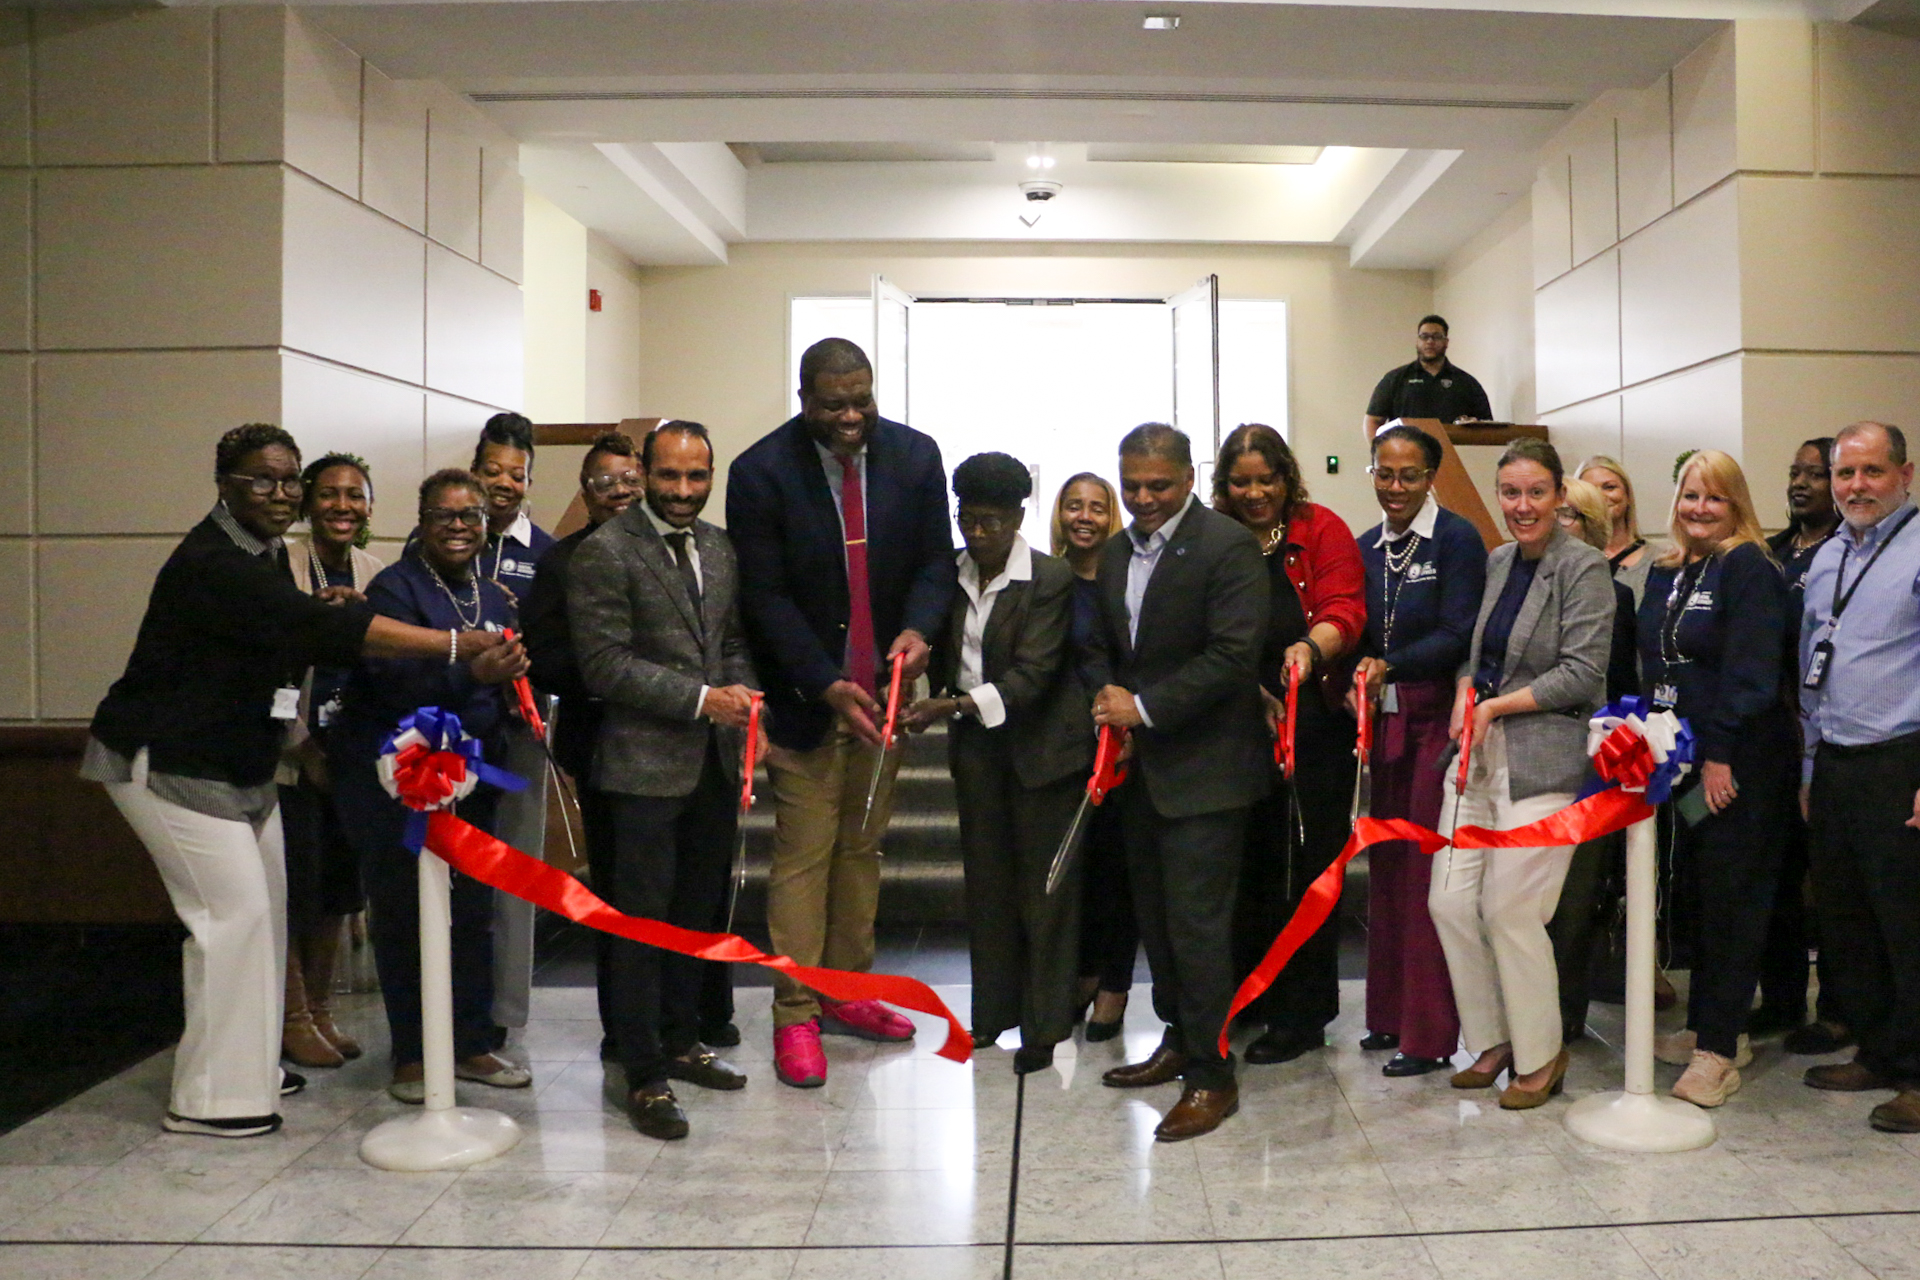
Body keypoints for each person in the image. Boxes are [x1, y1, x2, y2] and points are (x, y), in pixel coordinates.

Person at [81, 425, 505, 1138]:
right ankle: (210, 1099)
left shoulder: (271, 552)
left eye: (287, 481)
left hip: (243, 763)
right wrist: (459, 643)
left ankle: (248, 1066)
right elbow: (328, 632)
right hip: (168, 761)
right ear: (224, 484)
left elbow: (299, 633)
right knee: (231, 921)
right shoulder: (214, 561)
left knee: (267, 920)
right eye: (260, 481)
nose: (279, 495)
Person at [726, 338, 957, 1088]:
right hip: (809, 699)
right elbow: (764, 596)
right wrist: (824, 682)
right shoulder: (759, 472)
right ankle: (795, 1013)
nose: (853, 415)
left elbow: (932, 564)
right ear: (804, 399)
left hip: (887, 697)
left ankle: (846, 994)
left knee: (862, 849)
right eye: (835, 404)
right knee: (803, 856)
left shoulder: (917, 457)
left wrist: (920, 629)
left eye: (863, 398)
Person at [569, 420, 760, 1140]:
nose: (684, 492)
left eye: (697, 477)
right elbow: (605, 664)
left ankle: (683, 1041)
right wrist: (701, 700)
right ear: (645, 473)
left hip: (711, 763)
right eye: (671, 476)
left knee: (694, 916)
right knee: (639, 925)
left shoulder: (718, 546)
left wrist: (742, 695)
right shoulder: (606, 551)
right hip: (640, 770)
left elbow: (731, 640)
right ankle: (641, 1072)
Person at [1087, 423, 1269, 1142]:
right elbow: (1108, 645)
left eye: (1157, 486)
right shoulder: (1113, 553)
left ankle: (1213, 1076)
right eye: (1131, 486)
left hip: (1209, 776)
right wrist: (1106, 694)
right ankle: (1179, 1041)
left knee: (1197, 931)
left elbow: (1232, 656)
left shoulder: (1226, 546)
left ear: (1189, 477)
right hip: (1143, 776)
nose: (1142, 499)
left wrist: (1145, 709)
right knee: (1159, 927)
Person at [330, 469, 535, 1105]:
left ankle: (471, 1044)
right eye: (444, 515)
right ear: (421, 520)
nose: (458, 525)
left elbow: (496, 681)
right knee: (405, 914)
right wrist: (473, 673)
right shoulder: (393, 589)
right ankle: (413, 1056)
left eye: (471, 515)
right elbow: (395, 686)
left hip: (473, 777)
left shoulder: (495, 596)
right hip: (400, 784)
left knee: (473, 913)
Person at [1431, 438, 1612, 1110]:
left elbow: (1583, 673)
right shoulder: (1500, 560)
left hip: (1546, 757)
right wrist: (1463, 692)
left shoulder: (1584, 567)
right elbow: (1479, 656)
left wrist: (1498, 705)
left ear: (1560, 494)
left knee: (1510, 909)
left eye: (1537, 492)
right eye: (1511, 493)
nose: (1523, 505)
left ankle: (1542, 1054)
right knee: (1448, 900)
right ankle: (1493, 1039)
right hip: (1479, 756)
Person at [905, 454, 1092, 1073]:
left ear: (1018, 517)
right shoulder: (946, 575)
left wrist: (948, 705)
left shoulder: (1049, 578)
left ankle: (1046, 1024)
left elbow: (1034, 675)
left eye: (991, 521)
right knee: (986, 887)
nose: (977, 532)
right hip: (977, 751)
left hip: (1043, 751)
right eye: (968, 519)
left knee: (1045, 892)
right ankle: (992, 1017)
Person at [1637, 451, 1793, 1107]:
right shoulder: (1670, 570)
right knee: (1702, 896)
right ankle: (1712, 1024)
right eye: (1690, 495)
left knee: (1734, 900)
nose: (1699, 508)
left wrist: (1722, 754)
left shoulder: (1749, 567)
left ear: (1738, 506)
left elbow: (1753, 672)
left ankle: (1718, 1054)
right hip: (1684, 762)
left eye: (1715, 498)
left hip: (1740, 762)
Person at [1211, 424, 1366, 1068]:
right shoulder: (1213, 538)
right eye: (1241, 481)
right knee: (1246, 866)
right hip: (1232, 725)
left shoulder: (1320, 528)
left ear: (1287, 477)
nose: (1255, 493)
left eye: (1266, 479)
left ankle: (1302, 1013)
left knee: (1307, 868)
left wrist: (1309, 648)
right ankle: (1248, 995)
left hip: (1312, 725)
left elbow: (1345, 608)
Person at [1798, 421, 1920, 1134]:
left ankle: (1916, 1073)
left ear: (1905, 475)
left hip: (1901, 758)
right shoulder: (1830, 556)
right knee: (1850, 924)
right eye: (1845, 474)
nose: (1856, 487)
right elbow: (1816, 666)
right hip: (1838, 760)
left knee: (1907, 924)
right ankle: (1878, 1050)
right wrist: (1812, 766)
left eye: (1872, 472)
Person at [1354, 424, 1484, 1076]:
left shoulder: (1456, 539)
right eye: (1385, 473)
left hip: (1436, 725)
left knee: (1425, 880)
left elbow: (1459, 631)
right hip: (1383, 727)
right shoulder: (1366, 545)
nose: (1395, 486)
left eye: (1408, 475)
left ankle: (1428, 1036)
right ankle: (1386, 1017)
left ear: (1431, 477)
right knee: (1385, 876)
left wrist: (1388, 664)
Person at [522, 431, 649, 1062]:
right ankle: (623, 1031)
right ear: (585, 494)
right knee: (620, 891)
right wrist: (617, 676)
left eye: (631, 479)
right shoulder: (561, 562)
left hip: (680, 741)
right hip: (602, 741)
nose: (621, 491)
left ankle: (686, 1022)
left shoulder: (679, 551)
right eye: (606, 483)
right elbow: (544, 657)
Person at [276, 453, 384, 1070]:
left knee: (340, 889)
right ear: (308, 501)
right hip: (291, 758)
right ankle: (291, 1017)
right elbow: (270, 669)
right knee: (298, 886)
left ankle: (319, 1011)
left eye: (356, 495)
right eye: (329, 493)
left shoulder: (376, 572)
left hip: (351, 757)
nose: (342, 505)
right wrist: (303, 747)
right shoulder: (282, 566)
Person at [469, 412, 555, 1046]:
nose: (504, 483)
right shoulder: (441, 537)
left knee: (515, 874)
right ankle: (454, 1010)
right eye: (493, 470)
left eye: (517, 474)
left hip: (523, 731)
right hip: (453, 733)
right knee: (456, 872)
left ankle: (505, 1017)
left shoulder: (546, 553)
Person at [1759, 437, 1847, 1052]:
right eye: (1795, 472)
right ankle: (1783, 998)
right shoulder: (1768, 555)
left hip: (1826, 733)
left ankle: (1840, 1009)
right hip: (1774, 733)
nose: (1801, 483)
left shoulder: (1847, 555)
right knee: (1779, 874)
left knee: (1834, 883)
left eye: (1815, 474)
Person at [1547, 475, 1639, 1044]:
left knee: (1576, 902)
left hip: (1592, 763)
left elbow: (1625, 686)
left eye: (1569, 515)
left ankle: (1563, 1015)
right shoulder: (1514, 579)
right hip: (1530, 761)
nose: (1556, 523)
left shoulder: (1616, 595)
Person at [1053, 474, 1135, 1039]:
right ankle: (1082, 973)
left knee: (1117, 871)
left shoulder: (1126, 579)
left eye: (1098, 507)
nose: (1085, 516)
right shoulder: (1046, 579)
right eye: (1074, 506)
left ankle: (1115, 985)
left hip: (1121, 743)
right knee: (1080, 873)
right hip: (1062, 747)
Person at [1363, 315, 1493, 434]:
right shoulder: (1395, 379)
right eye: (1424, 336)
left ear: (1446, 342)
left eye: (1436, 337)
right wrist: (1382, 455)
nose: (1430, 341)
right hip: (1405, 456)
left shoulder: (1467, 383)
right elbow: (1373, 421)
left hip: (1455, 456)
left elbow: (1487, 427)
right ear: (1417, 341)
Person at [1578, 455, 1652, 600]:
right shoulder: (1566, 559)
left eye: (1609, 487)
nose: (1600, 496)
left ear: (1628, 495)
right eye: (1591, 490)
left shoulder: (1659, 560)